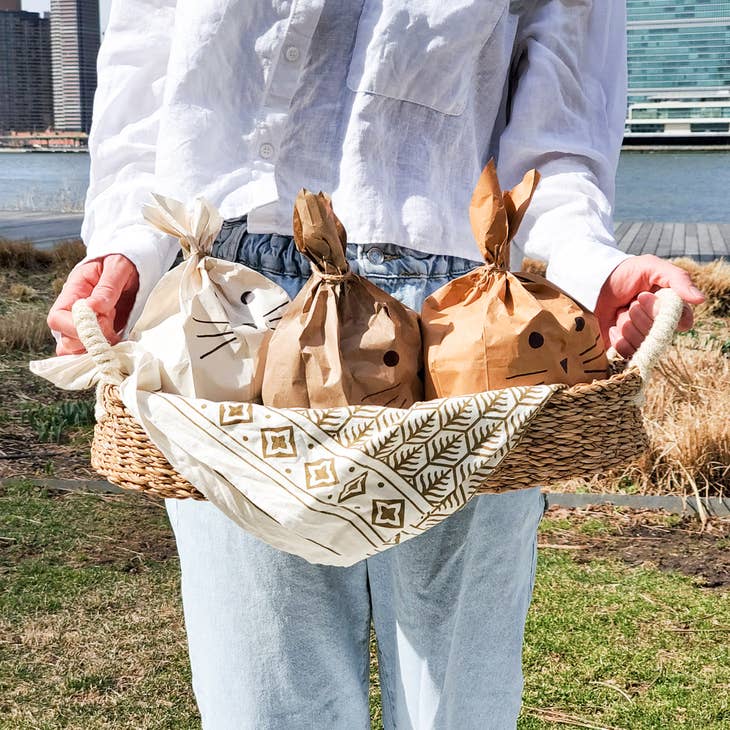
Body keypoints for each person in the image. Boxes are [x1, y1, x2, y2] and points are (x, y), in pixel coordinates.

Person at [47, 2, 705, 728]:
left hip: (469, 333)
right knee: (261, 702)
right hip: (234, 319)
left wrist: (587, 263)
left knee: (457, 703)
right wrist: (123, 248)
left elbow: (564, 122)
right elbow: (144, 76)